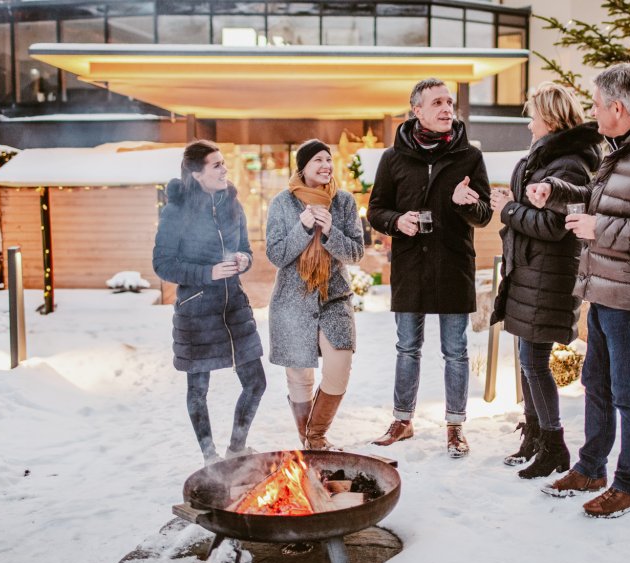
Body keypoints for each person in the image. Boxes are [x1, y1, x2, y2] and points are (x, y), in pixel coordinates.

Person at [527, 63, 630, 517]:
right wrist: (555, 194)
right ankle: (592, 467)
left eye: (597, 105)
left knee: (627, 392)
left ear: (618, 107)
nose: (592, 113)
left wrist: (601, 228)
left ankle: (629, 484)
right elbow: (602, 204)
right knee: (594, 381)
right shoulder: (622, 149)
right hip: (606, 287)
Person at [367, 78, 492, 458]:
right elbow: (376, 209)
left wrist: (464, 203)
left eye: (450, 102)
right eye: (437, 102)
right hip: (410, 266)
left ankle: (455, 426)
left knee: (455, 350)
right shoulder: (393, 158)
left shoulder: (469, 157)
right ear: (417, 110)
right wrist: (395, 221)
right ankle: (403, 420)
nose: (446, 109)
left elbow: (484, 215)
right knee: (407, 347)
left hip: (453, 265)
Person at [490, 83, 603, 479]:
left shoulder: (567, 165)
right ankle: (535, 435)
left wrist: (507, 210)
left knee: (533, 362)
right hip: (528, 271)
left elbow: (554, 227)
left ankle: (554, 444)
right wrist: (510, 205)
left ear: (551, 118)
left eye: (533, 114)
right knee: (527, 360)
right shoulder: (543, 159)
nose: (528, 122)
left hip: (548, 274)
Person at [153, 140, 266, 465]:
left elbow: (245, 246)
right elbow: (163, 264)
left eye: (223, 163)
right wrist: (208, 272)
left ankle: (236, 448)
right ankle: (209, 458)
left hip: (234, 310)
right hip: (197, 312)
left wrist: (244, 258)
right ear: (196, 173)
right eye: (216, 165)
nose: (224, 169)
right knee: (198, 389)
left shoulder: (233, 205)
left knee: (256, 383)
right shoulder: (176, 211)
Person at [266, 139, 364, 450]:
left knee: (339, 367)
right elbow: (277, 255)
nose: (325, 166)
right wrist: (304, 228)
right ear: (303, 167)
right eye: (317, 160)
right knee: (299, 376)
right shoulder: (282, 204)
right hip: (292, 300)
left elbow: (356, 253)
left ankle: (315, 435)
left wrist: (332, 231)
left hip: (334, 299)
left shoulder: (344, 202)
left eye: (328, 159)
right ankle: (311, 442)